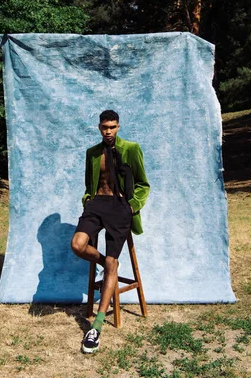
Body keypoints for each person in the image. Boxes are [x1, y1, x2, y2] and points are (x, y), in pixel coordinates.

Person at [71, 110, 150, 353]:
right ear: (99, 127)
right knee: (77, 244)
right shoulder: (92, 154)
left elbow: (143, 184)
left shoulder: (131, 149)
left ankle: (96, 327)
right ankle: (108, 264)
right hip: (97, 204)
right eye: (105, 127)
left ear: (118, 127)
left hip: (120, 208)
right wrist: (88, 200)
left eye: (113, 127)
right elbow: (89, 184)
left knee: (113, 262)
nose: (108, 131)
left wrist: (131, 206)